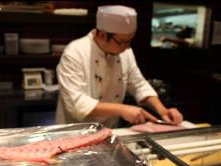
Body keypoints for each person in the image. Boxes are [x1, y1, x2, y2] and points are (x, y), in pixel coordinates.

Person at [55, 5, 183, 128]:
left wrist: (162, 110)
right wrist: (122, 109)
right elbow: (77, 104)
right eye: (123, 41)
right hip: (75, 131)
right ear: (102, 35)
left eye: (130, 40)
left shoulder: (125, 52)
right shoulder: (75, 52)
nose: (127, 47)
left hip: (109, 130)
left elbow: (138, 84)